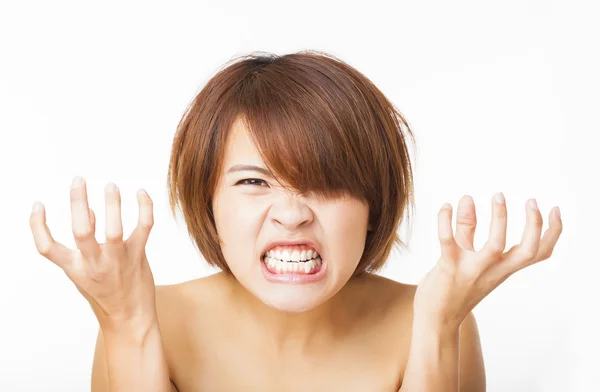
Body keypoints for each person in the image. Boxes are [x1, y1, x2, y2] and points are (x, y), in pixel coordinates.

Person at [29, 50, 563, 392]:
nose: (291, 214)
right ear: (208, 205)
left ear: (374, 206)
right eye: (253, 182)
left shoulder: (432, 317)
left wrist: (438, 331)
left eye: (328, 184)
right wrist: (127, 327)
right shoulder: (146, 317)